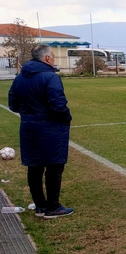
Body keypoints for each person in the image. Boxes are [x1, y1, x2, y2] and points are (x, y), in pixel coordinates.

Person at [7, 45, 75, 219]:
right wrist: (67, 117)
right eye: (53, 56)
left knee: (35, 167)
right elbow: (58, 105)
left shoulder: (19, 77)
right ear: (47, 58)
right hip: (50, 129)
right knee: (54, 166)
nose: (54, 59)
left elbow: (13, 104)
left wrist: (30, 114)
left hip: (28, 128)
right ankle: (53, 207)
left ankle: (40, 205)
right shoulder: (50, 77)